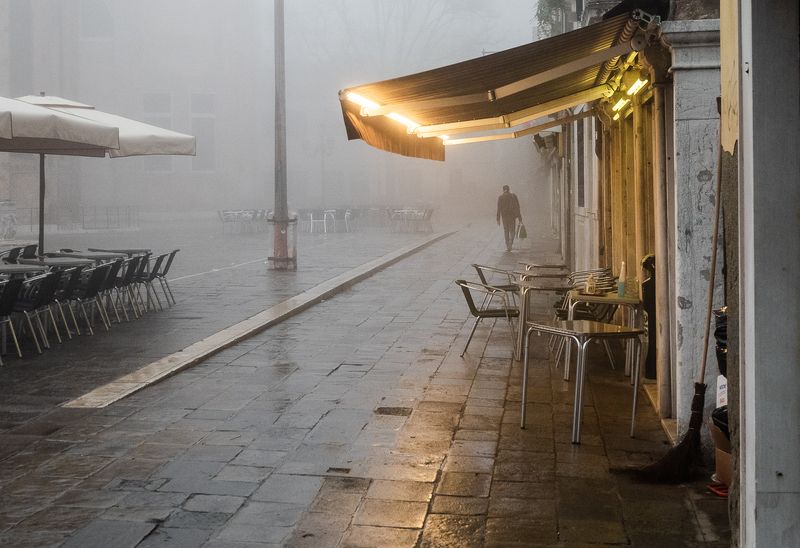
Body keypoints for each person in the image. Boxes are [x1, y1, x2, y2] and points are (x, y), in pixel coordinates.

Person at [496, 184, 522, 251]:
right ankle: (511, 243)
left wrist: (498, 219)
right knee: (512, 230)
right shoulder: (513, 196)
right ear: (509, 189)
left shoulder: (500, 197)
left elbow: (499, 209)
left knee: (506, 231)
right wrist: (520, 218)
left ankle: (507, 245)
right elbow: (517, 207)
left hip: (504, 217)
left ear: (503, 190)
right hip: (512, 217)